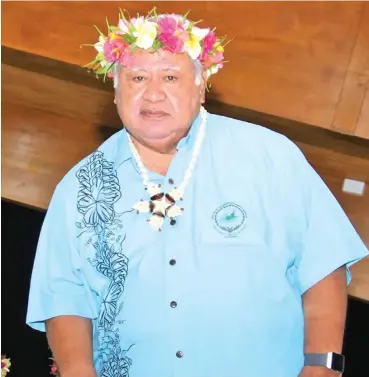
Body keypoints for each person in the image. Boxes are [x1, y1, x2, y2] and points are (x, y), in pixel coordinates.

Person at [26, 8, 368, 377]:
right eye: (138, 77)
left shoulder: (269, 156)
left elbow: (322, 266)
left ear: (201, 88)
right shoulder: (79, 188)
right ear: (115, 92)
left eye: (170, 77)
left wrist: (322, 367)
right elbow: (65, 299)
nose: (153, 93)